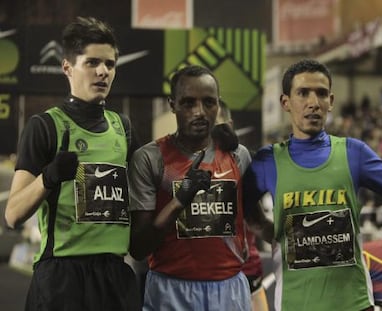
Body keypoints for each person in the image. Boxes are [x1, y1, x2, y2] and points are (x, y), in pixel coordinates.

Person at [242, 58, 382, 311]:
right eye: (303, 93)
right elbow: (239, 203)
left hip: (354, 304)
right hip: (294, 304)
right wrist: (267, 230)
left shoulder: (354, 154)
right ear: (285, 102)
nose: (313, 102)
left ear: (331, 101)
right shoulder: (268, 161)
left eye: (321, 93)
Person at [5, 16, 140, 311]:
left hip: (115, 277)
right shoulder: (44, 127)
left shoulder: (123, 128)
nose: (103, 71)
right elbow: (12, 215)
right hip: (62, 279)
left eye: (110, 64)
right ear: (67, 67)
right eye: (92, 62)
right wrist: (49, 177)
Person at [128, 65, 252, 310]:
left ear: (218, 104)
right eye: (188, 103)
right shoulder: (150, 159)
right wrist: (179, 199)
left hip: (229, 289)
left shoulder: (238, 156)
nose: (200, 112)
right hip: (171, 289)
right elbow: (139, 248)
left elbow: (255, 219)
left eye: (208, 102)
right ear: (172, 104)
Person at [214, 100, 269, 311]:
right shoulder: (184, 167)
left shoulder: (245, 160)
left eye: (216, 121)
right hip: (205, 278)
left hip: (247, 273)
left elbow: (259, 221)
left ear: (229, 122)